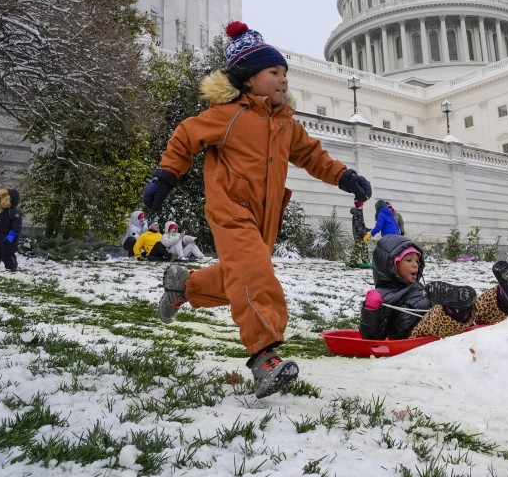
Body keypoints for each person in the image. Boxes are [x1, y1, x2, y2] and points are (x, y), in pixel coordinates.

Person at [142, 21, 372, 398]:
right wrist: (166, 175)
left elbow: (312, 156)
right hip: (230, 209)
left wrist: (345, 176)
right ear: (248, 79)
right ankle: (264, 358)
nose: (283, 80)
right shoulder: (228, 114)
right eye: (274, 72)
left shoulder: (285, 124)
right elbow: (186, 135)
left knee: (240, 276)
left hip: (265, 216)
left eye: (285, 73)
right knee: (255, 275)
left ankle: (184, 286)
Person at [359, 235, 508, 341]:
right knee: (436, 317)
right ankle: (456, 309)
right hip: (416, 334)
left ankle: (505, 298)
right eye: (409, 260)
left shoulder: (417, 287)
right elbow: (373, 337)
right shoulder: (382, 296)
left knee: (477, 308)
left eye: (417, 261)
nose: (415, 265)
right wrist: (371, 310)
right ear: (390, 265)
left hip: (444, 324)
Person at [348, 200, 369, 266]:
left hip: (361, 233)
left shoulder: (360, 212)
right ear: (360, 206)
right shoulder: (357, 213)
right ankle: (352, 261)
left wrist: (366, 229)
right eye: (362, 205)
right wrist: (363, 233)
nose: (363, 206)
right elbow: (358, 225)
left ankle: (366, 260)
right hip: (358, 234)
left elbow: (362, 225)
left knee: (364, 246)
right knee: (358, 247)